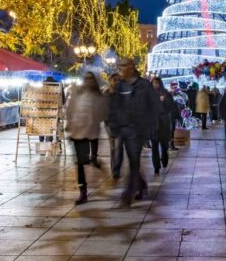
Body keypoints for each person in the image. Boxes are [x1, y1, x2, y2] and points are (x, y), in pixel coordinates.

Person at [107, 57, 158, 207]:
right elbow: (114, 107)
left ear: (131, 67)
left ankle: (128, 193)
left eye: (123, 66)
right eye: (119, 65)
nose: (120, 68)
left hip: (138, 129)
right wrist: (114, 126)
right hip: (123, 128)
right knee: (131, 159)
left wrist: (151, 127)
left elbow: (154, 107)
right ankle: (142, 186)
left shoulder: (144, 85)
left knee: (134, 160)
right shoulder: (119, 86)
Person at [66, 72, 107, 205]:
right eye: (86, 79)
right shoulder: (78, 95)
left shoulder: (98, 97)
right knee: (80, 163)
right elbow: (70, 110)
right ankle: (83, 191)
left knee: (92, 158)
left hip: (92, 132)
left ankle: (95, 162)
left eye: (90, 79)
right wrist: (70, 124)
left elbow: (103, 114)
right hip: (78, 133)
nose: (88, 81)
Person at [151, 77, 174, 175]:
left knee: (164, 145)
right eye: (153, 83)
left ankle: (164, 157)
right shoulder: (149, 94)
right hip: (153, 124)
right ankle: (156, 166)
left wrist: (164, 101)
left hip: (163, 123)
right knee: (154, 147)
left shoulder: (165, 93)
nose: (155, 85)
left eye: (157, 83)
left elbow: (171, 106)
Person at [104, 72, 124, 178]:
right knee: (113, 148)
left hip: (120, 124)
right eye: (114, 80)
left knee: (119, 147)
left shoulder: (123, 94)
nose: (116, 82)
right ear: (110, 81)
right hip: (109, 124)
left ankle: (116, 168)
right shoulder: (106, 93)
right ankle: (114, 169)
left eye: (118, 80)